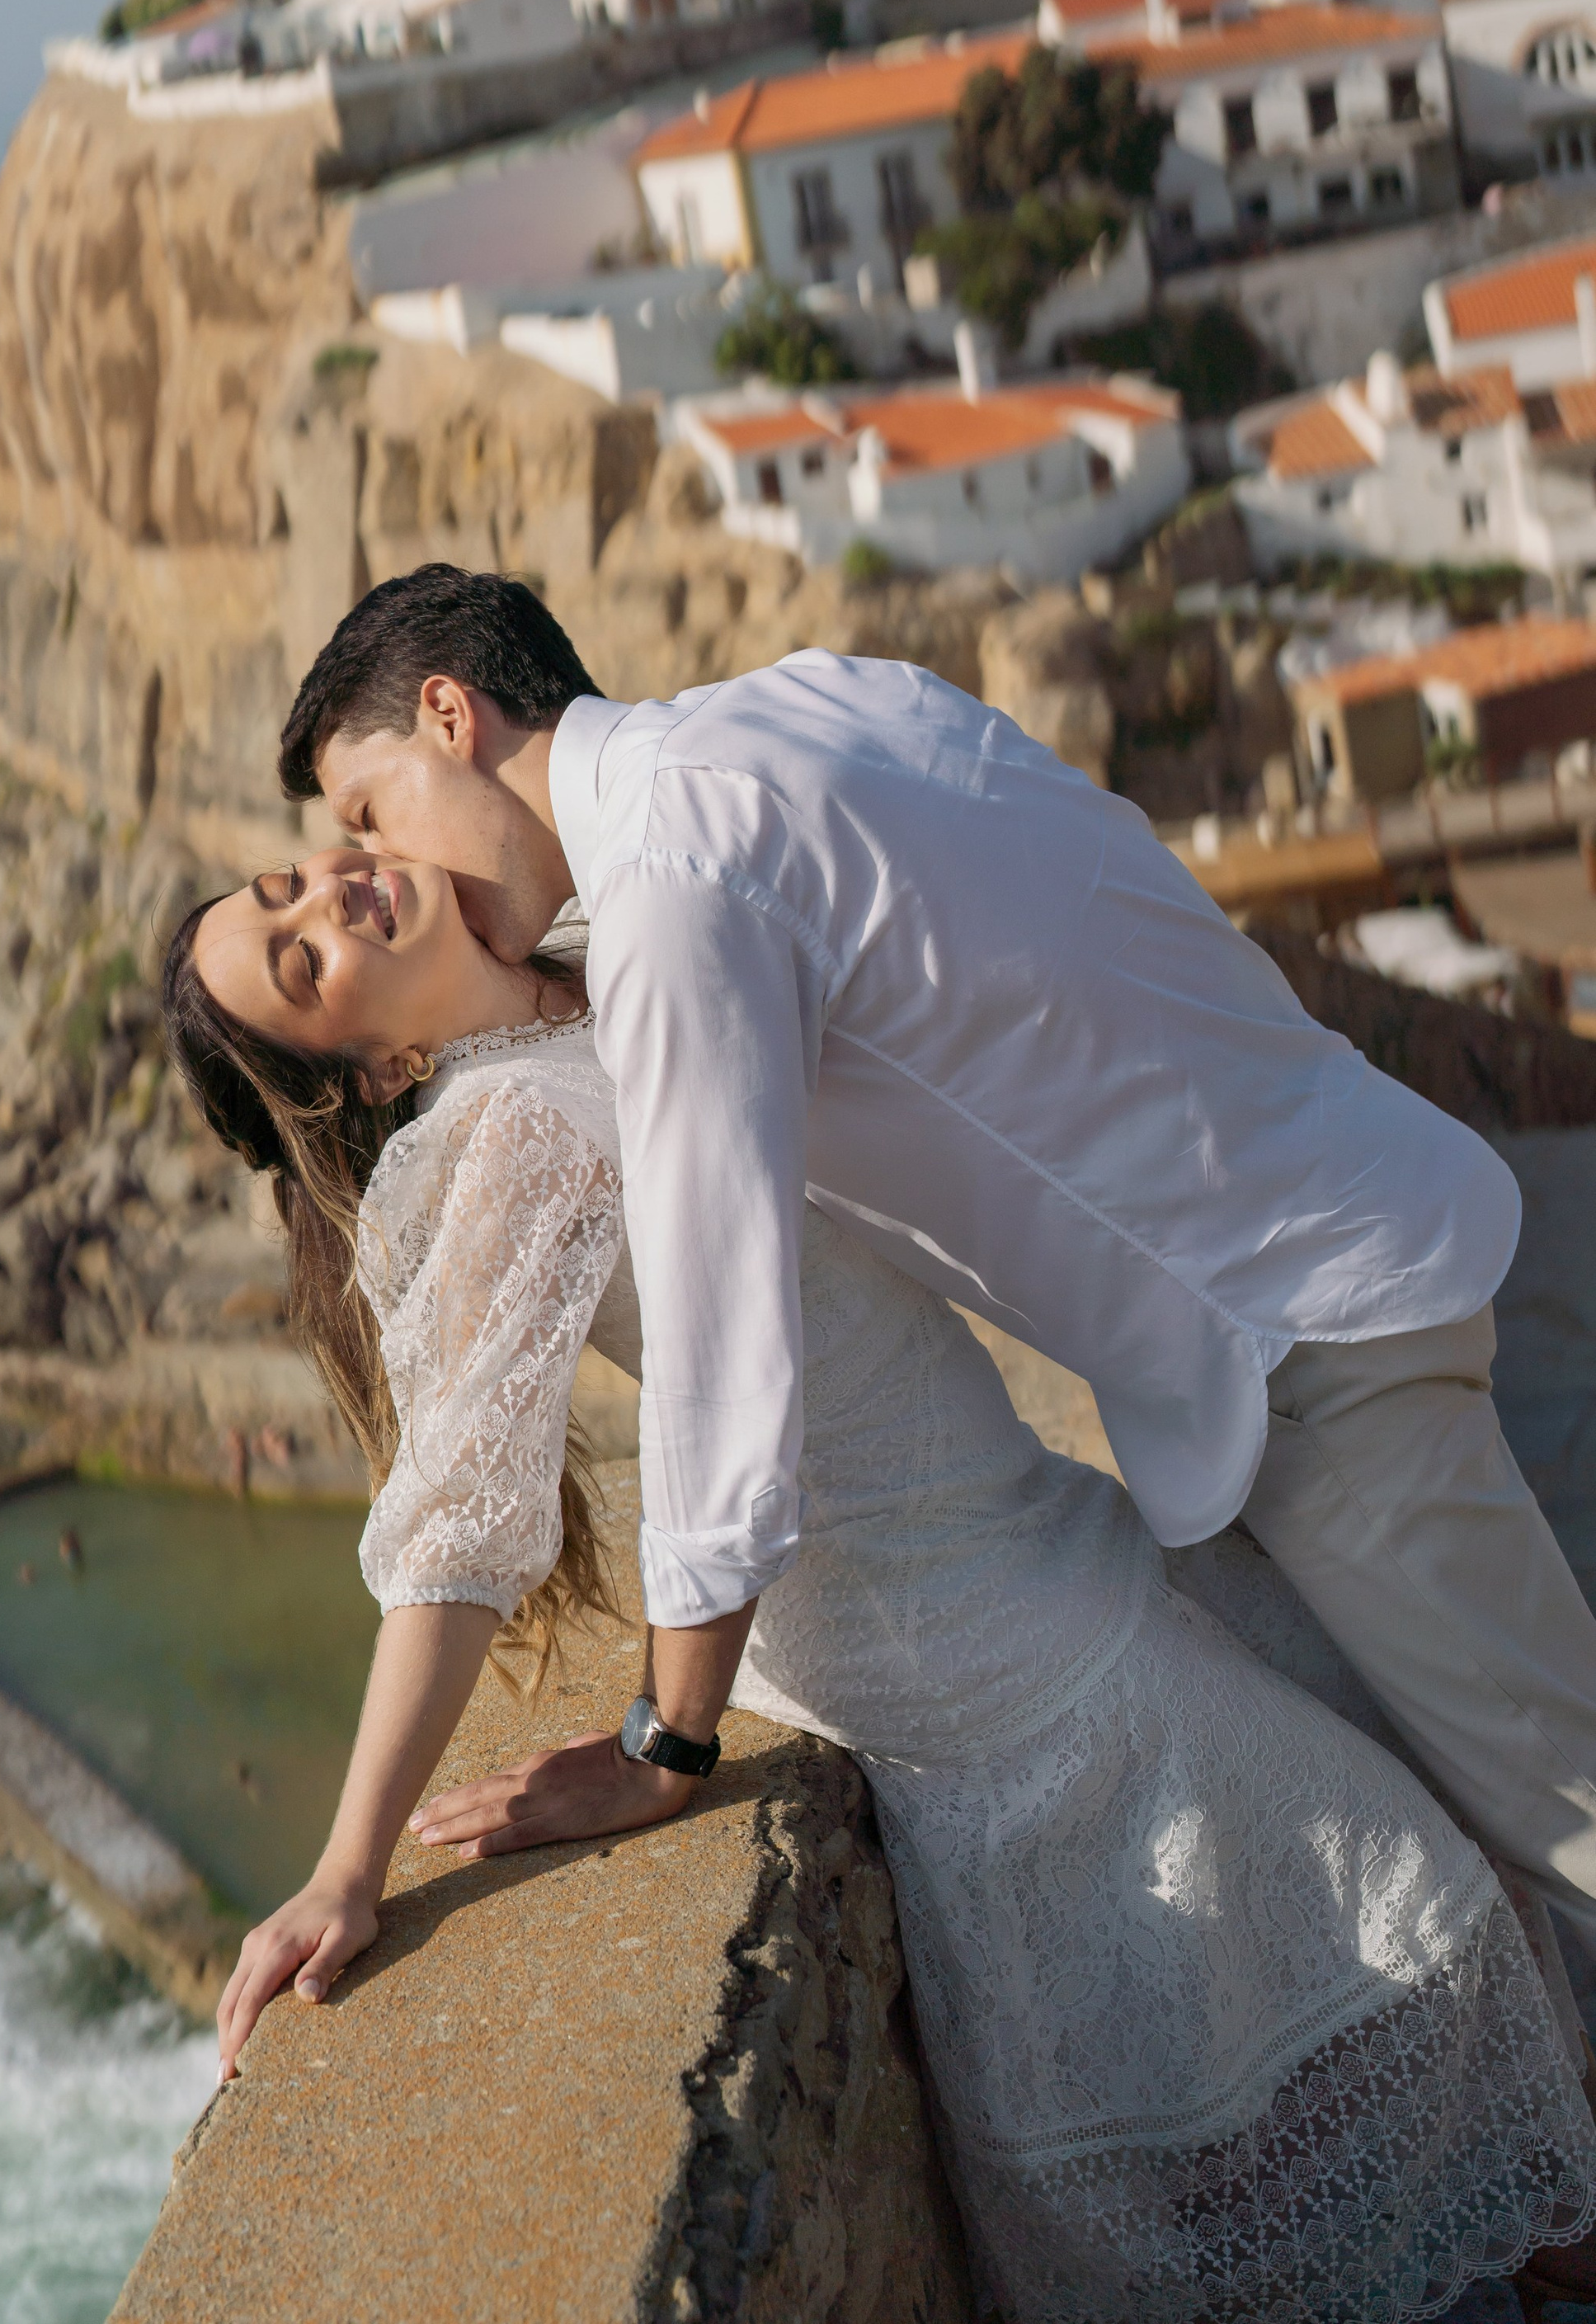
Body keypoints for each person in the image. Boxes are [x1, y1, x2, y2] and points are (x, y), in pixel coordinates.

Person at [167, 847, 1596, 2321]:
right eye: (297, 962)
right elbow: (455, 1539)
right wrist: (350, 1866)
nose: (321, 901)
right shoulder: (506, 1133)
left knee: (1432, 1851)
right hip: (942, 1612)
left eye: (286, 884)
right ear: (376, 1062)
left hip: (1023, 1511)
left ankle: (1506, 2239)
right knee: (1410, 1901)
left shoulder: (591, 953)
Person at [264, 565, 1596, 1957]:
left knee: (1567, 1819)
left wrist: (668, 1741)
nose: (382, 863)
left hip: (1300, 1326)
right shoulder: (799, 701)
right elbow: (1108, 862)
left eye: (370, 808)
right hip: (1325, 1225)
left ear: (449, 713)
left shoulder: (669, 889)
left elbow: (724, 1357)